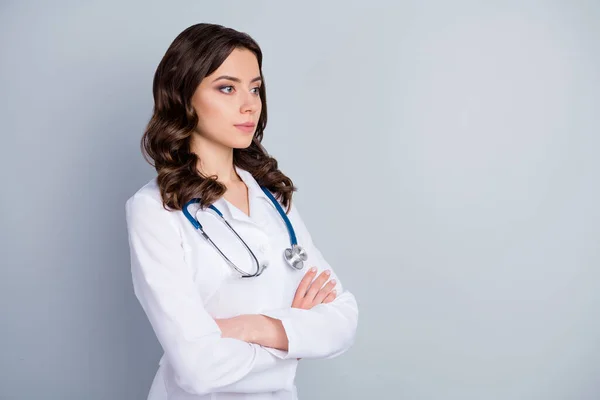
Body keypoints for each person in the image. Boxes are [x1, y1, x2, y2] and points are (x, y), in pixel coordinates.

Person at [125, 23, 359, 400]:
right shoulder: (154, 211)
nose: (249, 103)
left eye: (255, 88)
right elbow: (199, 369)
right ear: (183, 95)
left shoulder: (272, 197)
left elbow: (343, 320)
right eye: (227, 88)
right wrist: (293, 341)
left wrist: (253, 327)